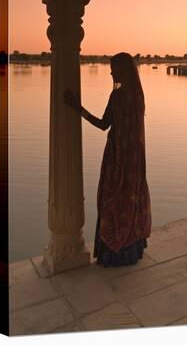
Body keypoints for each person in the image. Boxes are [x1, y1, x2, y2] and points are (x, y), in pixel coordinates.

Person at [64, 52, 151, 267]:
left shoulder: (119, 96)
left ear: (122, 70)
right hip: (135, 159)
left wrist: (78, 109)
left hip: (118, 158)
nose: (111, 72)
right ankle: (132, 248)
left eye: (113, 68)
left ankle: (113, 251)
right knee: (130, 198)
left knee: (112, 199)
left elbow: (104, 125)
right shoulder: (138, 96)